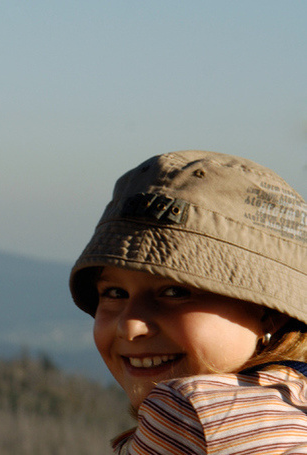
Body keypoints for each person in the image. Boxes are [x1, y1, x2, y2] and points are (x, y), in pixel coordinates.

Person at [69, 150, 307, 454]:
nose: (130, 326)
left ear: (271, 312)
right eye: (115, 293)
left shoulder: (192, 417)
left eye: (175, 292)